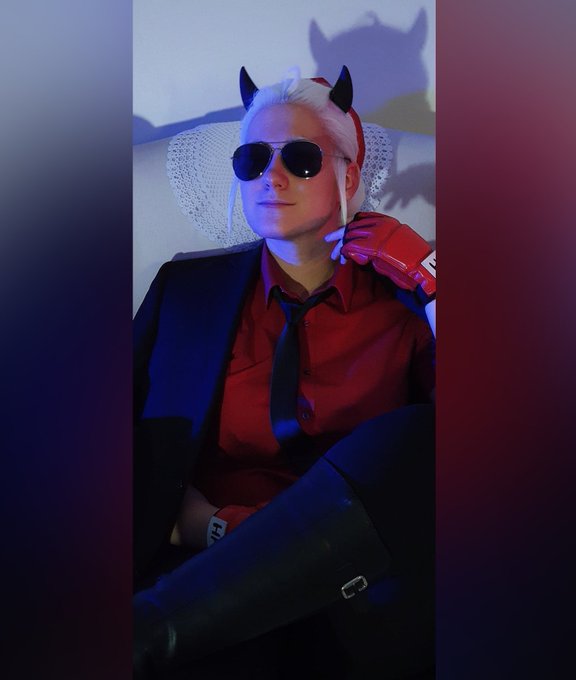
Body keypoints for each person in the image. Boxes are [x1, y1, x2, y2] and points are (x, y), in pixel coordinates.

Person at [133, 65, 437, 679]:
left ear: (347, 175)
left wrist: (434, 277)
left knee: (417, 435)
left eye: (300, 158)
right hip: (200, 592)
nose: (271, 176)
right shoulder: (187, 292)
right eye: (252, 159)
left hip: (360, 600)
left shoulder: (405, 308)